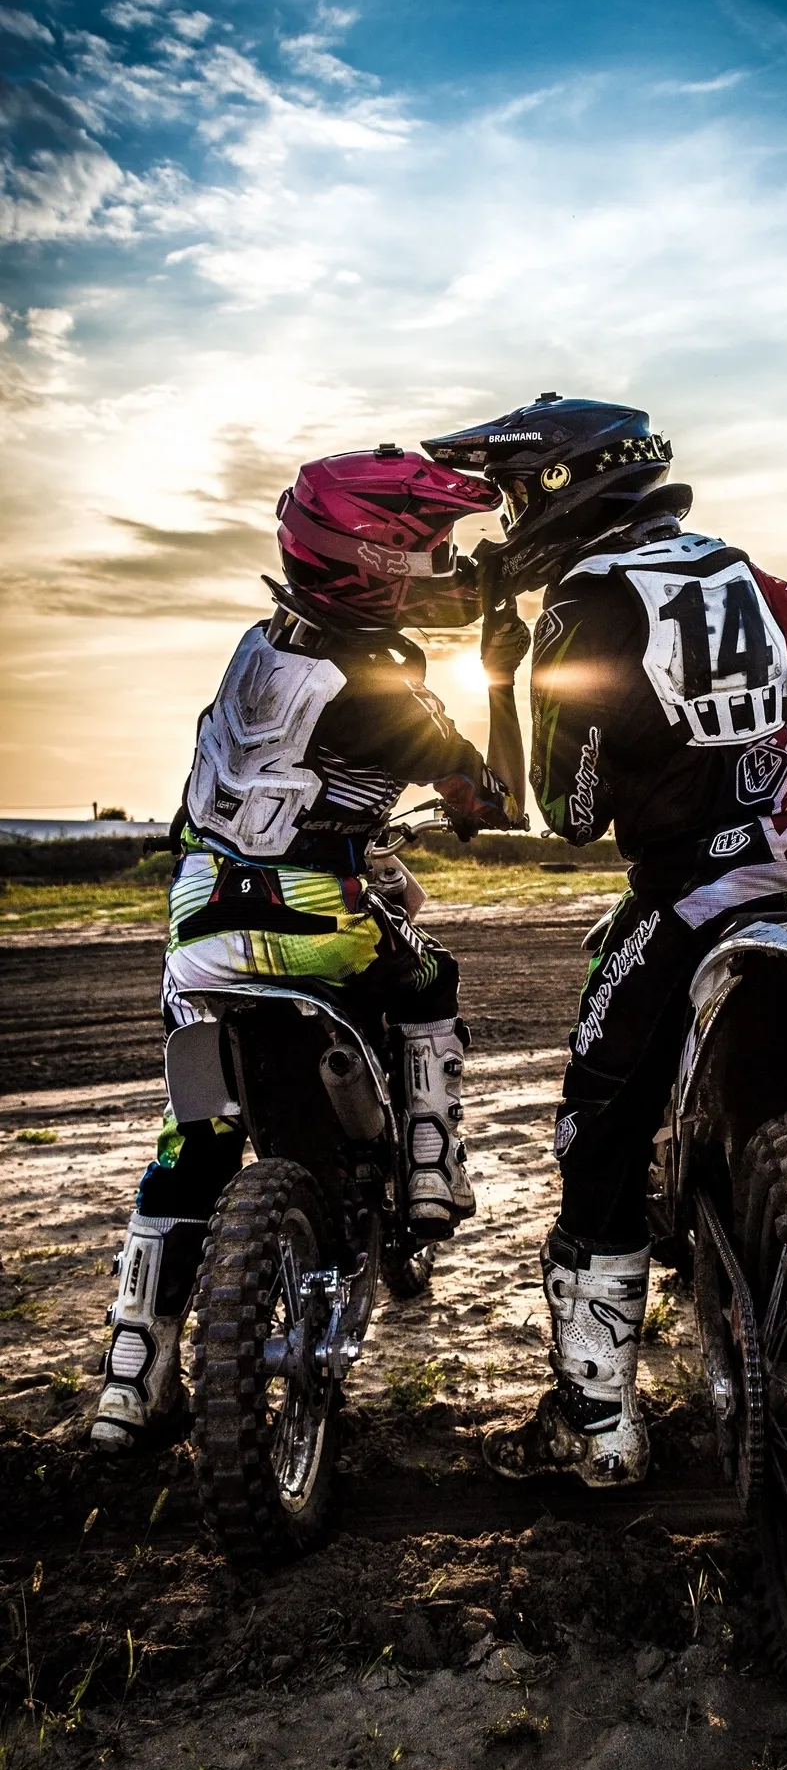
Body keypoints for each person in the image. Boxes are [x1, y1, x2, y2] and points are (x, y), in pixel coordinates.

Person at [422, 395, 787, 1489]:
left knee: (597, 1130)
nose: (507, 519)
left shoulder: (584, 605)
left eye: (513, 495)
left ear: (560, 490)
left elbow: (571, 811)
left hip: (696, 893)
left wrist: (506, 679)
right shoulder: (730, 565)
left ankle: (597, 1424)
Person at [92, 444, 529, 1453]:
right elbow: (491, 802)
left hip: (200, 927)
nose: (443, 567)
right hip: (312, 921)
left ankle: (131, 1373)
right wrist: (502, 678)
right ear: (377, 564)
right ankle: (432, 1166)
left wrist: (480, 590)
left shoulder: (259, 649)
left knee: (193, 1140)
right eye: (428, 552)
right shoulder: (383, 694)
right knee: (430, 976)